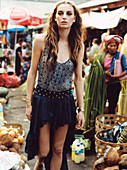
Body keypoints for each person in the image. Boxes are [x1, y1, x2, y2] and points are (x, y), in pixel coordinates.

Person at [25, 1, 85, 170]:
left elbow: (78, 79)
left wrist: (81, 109)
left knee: (58, 149)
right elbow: (32, 73)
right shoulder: (40, 41)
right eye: (60, 13)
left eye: (68, 13)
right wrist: (28, 103)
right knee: (44, 150)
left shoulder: (78, 45)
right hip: (43, 99)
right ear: (54, 17)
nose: (64, 17)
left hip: (64, 101)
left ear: (74, 18)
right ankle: (40, 160)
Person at [104, 35, 127, 114]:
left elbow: (126, 70)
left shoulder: (120, 56)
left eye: (114, 46)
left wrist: (116, 76)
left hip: (114, 84)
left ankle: (111, 123)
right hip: (103, 84)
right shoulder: (103, 56)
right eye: (111, 45)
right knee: (101, 103)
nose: (112, 47)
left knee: (112, 105)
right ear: (107, 46)